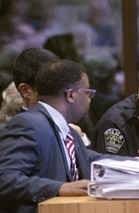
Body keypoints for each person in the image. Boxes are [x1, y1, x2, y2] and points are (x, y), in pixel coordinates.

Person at [0, 59, 126, 212]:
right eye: (88, 93)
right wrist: (59, 188)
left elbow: (93, 159)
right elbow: (5, 179)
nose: (89, 101)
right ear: (71, 95)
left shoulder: (68, 132)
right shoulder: (29, 123)